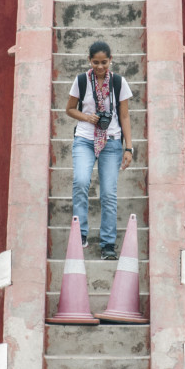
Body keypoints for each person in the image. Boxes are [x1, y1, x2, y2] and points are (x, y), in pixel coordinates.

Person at [65, 41, 134, 260]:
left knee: (108, 194)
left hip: (112, 142)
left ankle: (107, 244)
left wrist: (129, 148)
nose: (100, 66)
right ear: (89, 60)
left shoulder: (118, 82)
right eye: (96, 62)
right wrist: (87, 117)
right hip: (85, 139)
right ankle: (81, 234)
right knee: (81, 181)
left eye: (104, 62)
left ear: (110, 60)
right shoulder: (81, 81)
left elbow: (124, 116)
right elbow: (69, 109)